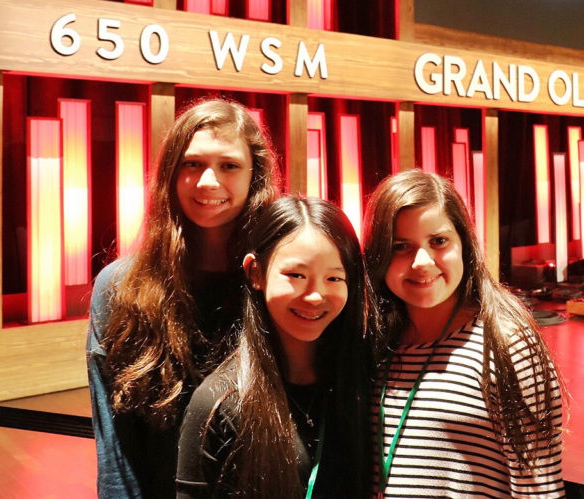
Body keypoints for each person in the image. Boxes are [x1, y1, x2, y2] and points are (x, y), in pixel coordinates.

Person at [87, 98, 280, 498]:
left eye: (229, 165)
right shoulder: (120, 287)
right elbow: (116, 446)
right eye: (192, 164)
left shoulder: (280, 281)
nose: (209, 181)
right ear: (171, 174)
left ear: (254, 175)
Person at [363, 169, 565, 498]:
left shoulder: (508, 346)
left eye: (438, 241)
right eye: (401, 246)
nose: (421, 262)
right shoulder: (374, 341)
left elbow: (539, 491)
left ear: (464, 245)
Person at [175, 195, 374, 498]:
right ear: (256, 272)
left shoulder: (364, 383)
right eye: (296, 275)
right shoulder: (219, 403)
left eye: (334, 277)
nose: (315, 296)